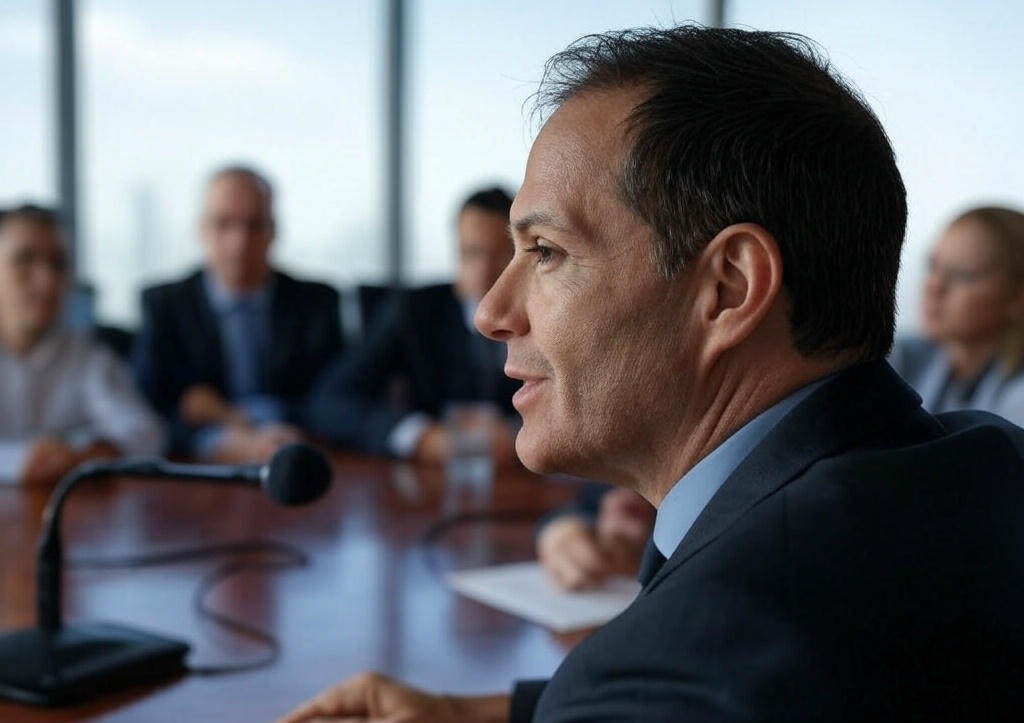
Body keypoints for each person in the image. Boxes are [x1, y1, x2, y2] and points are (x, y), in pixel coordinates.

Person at [276, 26, 1024, 723]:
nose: (491, 312)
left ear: (729, 288)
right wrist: (470, 712)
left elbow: (683, 680)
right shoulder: (986, 461)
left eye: (546, 253)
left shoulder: (687, 661)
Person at [133, 165, 343, 463]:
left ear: (274, 230)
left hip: (299, 458)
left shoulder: (317, 303)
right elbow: (147, 409)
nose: (240, 242)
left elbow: (335, 398)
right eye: (224, 224)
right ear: (201, 230)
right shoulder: (164, 304)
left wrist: (245, 420)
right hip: (198, 472)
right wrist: (220, 440)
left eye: (254, 225)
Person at [305, 187, 518, 462]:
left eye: (500, 255)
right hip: (433, 474)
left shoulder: (545, 317)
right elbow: (330, 402)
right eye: (471, 253)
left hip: (525, 472)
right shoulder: (415, 310)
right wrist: (420, 437)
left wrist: (518, 434)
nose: (484, 270)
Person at [0, 204, 164, 485]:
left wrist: (93, 453)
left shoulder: (86, 355)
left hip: (68, 507)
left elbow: (148, 433)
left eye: (58, 264)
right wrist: (19, 460)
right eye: (24, 259)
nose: (47, 281)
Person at [890, 206, 1024, 425]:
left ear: (1018, 296)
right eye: (933, 266)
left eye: (963, 275)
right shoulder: (902, 359)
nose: (934, 286)